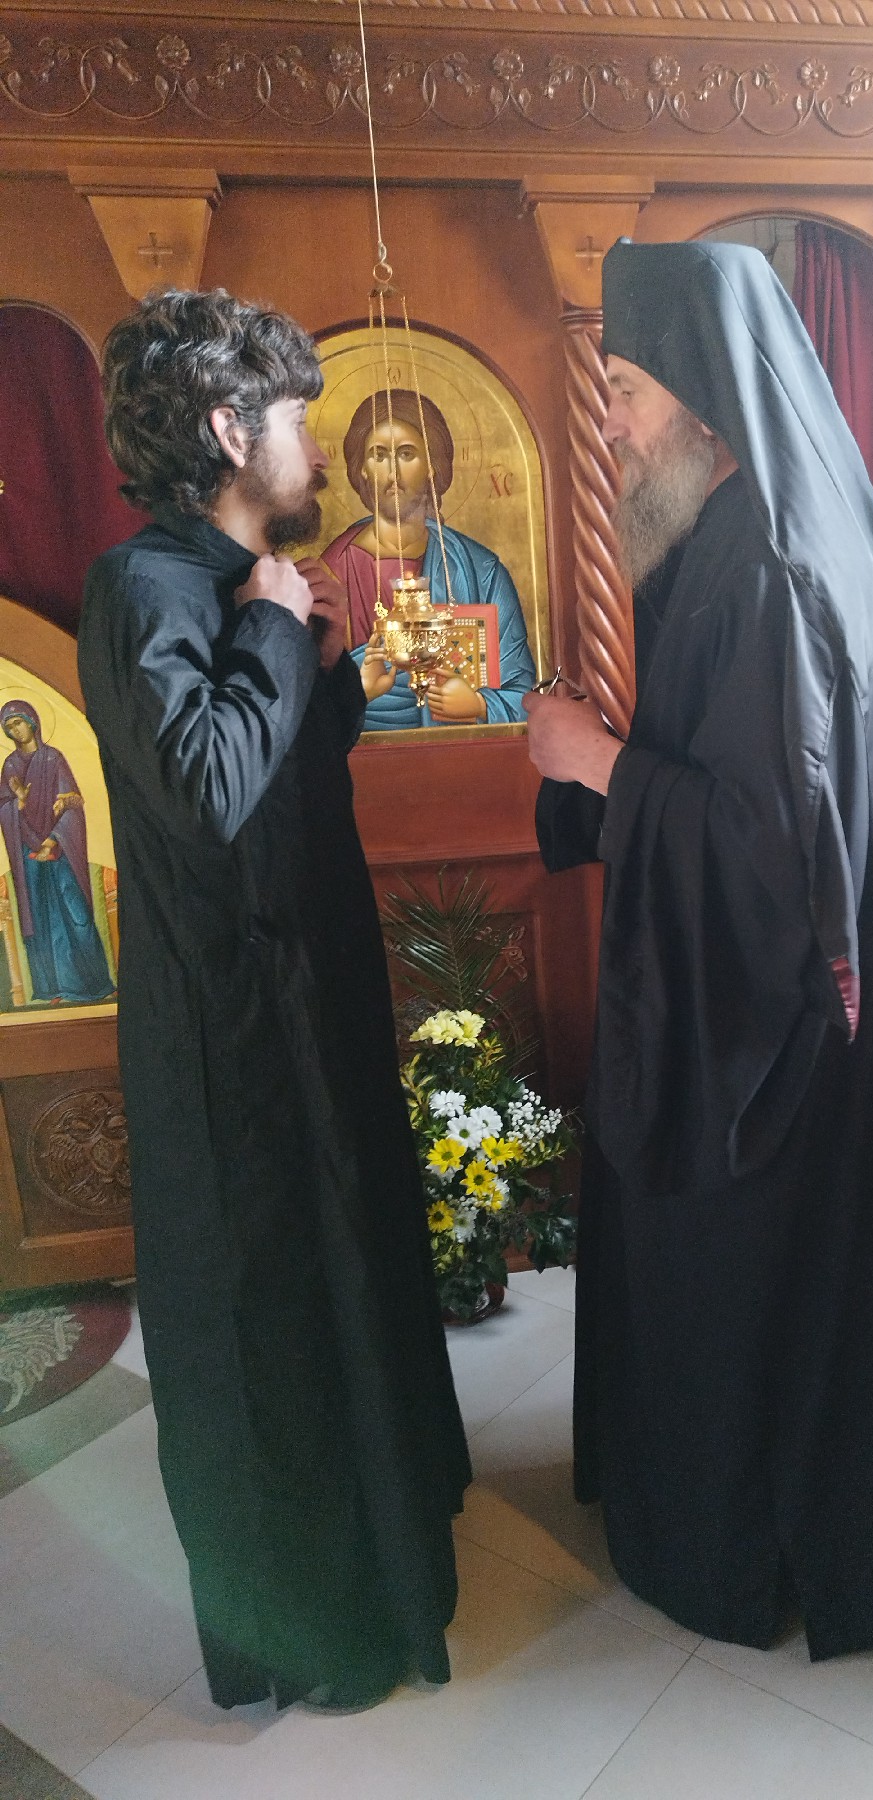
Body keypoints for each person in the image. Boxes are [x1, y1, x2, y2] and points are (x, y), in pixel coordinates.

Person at [526, 239, 873, 1659]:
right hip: (806, 1019)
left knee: (749, 1292)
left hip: (773, 1040)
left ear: (707, 395)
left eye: (625, 391)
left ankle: (751, 1545)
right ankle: (815, 1526)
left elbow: (772, 853)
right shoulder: (764, 522)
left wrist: (597, 766)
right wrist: (621, 757)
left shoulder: (766, 561)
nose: (609, 426)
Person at [77, 289, 471, 1711]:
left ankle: (392, 1569)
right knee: (271, 1327)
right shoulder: (143, 589)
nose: (314, 445)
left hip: (315, 1005)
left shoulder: (254, 585)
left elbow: (279, 779)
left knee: (350, 1283)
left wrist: (322, 667)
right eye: (298, 417)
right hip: (230, 1045)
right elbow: (202, 790)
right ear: (230, 429)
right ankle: (314, 1628)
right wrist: (270, 636)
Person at [320, 389, 536, 729]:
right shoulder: (329, 576)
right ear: (361, 469)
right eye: (378, 455)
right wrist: (355, 694)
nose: (392, 472)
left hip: (458, 757)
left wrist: (479, 704)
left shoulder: (481, 572)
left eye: (406, 454)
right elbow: (293, 710)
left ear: (432, 466)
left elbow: (524, 697)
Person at [0, 698, 115, 1006]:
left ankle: (96, 984)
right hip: (30, 856)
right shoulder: (10, 766)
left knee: (76, 914)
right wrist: (19, 802)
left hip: (60, 849)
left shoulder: (53, 758)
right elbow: (4, 809)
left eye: (18, 723)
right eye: (9, 727)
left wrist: (52, 840)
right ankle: (53, 988)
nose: (15, 730)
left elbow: (73, 806)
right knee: (41, 917)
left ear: (32, 722)